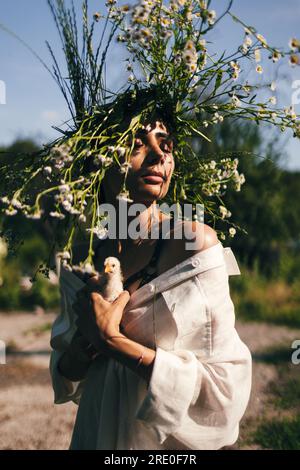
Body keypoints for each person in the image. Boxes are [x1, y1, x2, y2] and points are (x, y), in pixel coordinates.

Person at [49, 119, 252, 450]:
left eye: (165, 143)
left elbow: (223, 388)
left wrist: (111, 339)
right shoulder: (81, 254)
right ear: (97, 159)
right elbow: (67, 374)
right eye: (137, 143)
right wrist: (85, 344)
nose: (159, 155)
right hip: (97, 433)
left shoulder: (194, 246)